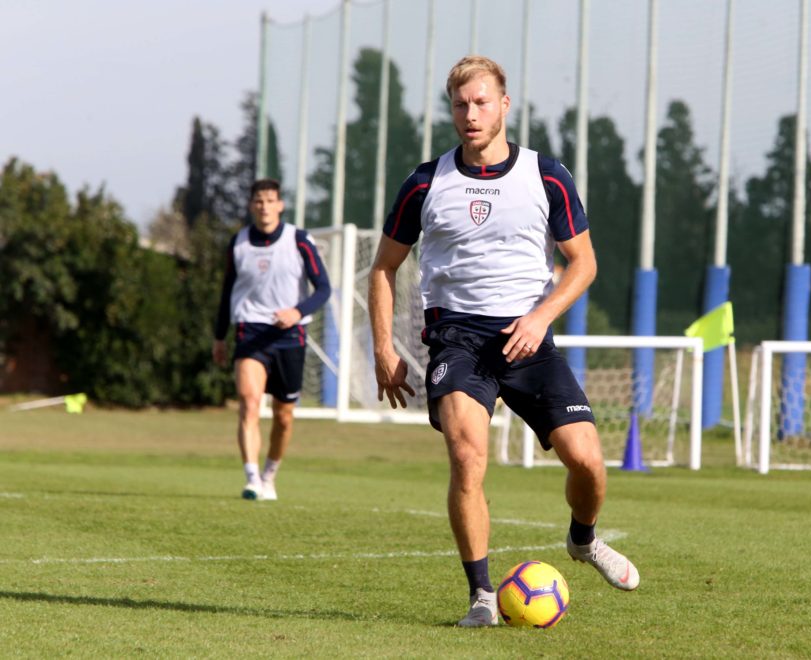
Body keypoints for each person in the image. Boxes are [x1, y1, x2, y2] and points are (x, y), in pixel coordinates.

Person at [369, 55, 640, 628]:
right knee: (467, 454)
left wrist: (540, 318)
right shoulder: (425, 182)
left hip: (528, 338)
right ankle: (483, 597)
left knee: (588, 462)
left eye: (481, 102)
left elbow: (584, 263)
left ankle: (583, 539)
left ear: (504, 105)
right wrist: (384, 349)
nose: (470, 114)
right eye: (460, 104)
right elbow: (383, 268)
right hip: (457, 339)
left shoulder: (546, 175)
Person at [213, 178, 330, 501]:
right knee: (249, 403)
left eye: (270, 200)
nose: (264, 206)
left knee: (283, 415)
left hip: (290, 335)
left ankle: (269, 475)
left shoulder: (298, 240)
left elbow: (323, 288)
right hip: (249, 331)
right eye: (259, 200)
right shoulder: (238, 243)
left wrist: (297, 311)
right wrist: (219, 337)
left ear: (280, 205)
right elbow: (227, 292)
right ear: (252, 205)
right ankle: (251, 479)